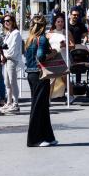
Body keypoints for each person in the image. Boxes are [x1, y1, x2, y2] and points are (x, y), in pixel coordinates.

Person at [25, 15, 58, 147]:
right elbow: (40, 57)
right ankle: (34, 139)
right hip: (39, 75)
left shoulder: (29, 39)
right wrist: (53, 54)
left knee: (42, 106)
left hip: (31, 74)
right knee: (39, 107)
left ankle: (48, 137)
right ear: (44, 26)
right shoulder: (42, 39)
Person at [0, 15, 22, 114]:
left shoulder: (16, 33)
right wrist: (2, 56)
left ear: (12, 21)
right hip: (6, 60)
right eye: (4, 21)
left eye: (8, 20)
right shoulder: (8, 33)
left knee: (13, 82)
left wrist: (4, 56)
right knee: (7, 83)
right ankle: (9, 102)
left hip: (12, 60)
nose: (6, 23)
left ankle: (16, 103)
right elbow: (5, 48)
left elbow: (12, 50)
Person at [47, 14, 72, 101]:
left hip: (64, 57)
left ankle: (71, 96)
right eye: (58, 21)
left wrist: (66, 45)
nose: (60, 23)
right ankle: (48, 99)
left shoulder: (67, 32)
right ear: (55, 23)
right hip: (53, 58)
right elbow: (46, 45)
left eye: (62, 21)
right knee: (51, 80)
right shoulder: (50, 33)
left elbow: (73, 45)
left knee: (65, 78)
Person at [68, 9, 89, 85]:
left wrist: (84, 42)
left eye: (77, 15)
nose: (76, 16)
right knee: (68, 66)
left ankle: (78, 82)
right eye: (74, 15)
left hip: (78, 48)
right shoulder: (66, 24)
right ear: (70, 15)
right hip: (67, 48)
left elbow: (86, 34)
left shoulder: (80, 24)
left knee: (78, 66)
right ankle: (68, 83)